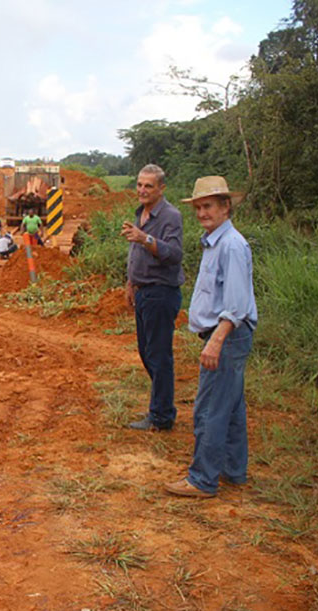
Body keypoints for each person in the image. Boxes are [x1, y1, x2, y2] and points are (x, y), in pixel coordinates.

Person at [165, 176, 257, 498]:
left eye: (209, 206)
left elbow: (236, 305)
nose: (203, 213)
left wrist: (217, 341)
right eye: (199, 207)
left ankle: (202, 479)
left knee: (209, 410)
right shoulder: (215, 241)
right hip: (224, 336)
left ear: (225, 207)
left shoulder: (231, 245)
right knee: (230, 408)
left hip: (226, 336)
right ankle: (233, 471)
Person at [121, 164, 184, 432]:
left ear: (161, 188)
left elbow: (174, 254)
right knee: (147, 352)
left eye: (148, 186)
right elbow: (136, 253)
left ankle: (161, 416)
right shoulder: (142, 213)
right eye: (139, 185)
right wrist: (130, 282)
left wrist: (144, 238)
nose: (142, 190)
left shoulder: (170, 216)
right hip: (143, 291)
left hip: (161, 292)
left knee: (159, 356)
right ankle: (162, 407)